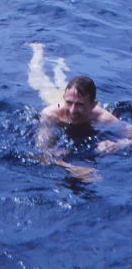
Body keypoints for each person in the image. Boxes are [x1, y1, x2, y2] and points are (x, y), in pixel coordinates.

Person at [29, 44, 132, 180]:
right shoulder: (50, 114)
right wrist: (72, 168)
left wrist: (119, 144)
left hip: (72, 96)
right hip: (52, 98)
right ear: (64, 99)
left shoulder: (102, 116)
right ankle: (37, 50)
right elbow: (42, 152)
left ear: (93, 105)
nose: (72, 110)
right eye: (69, 103)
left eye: (79, 105)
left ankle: (59, 63)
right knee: (39, 79)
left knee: (61, 78)